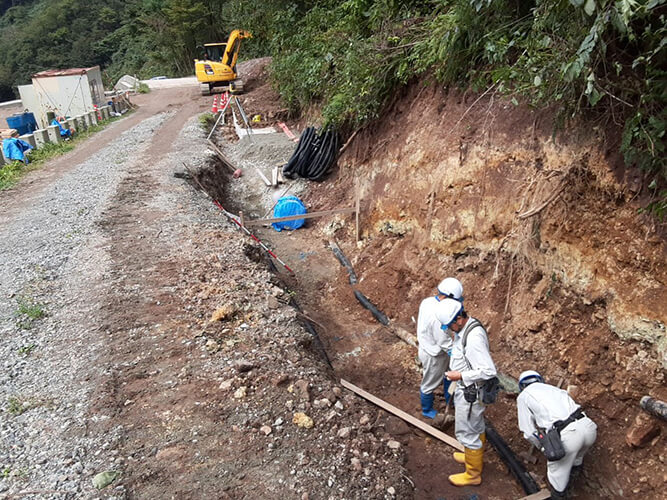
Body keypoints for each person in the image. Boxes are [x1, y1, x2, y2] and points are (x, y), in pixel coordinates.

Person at [438, 298, 496, 487]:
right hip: (469, 388)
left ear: (459, 320)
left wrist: (459, 375)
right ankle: (472, 455)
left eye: (449, 326)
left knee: (467, 430)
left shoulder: (473, 339)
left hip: (470, 392)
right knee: (476, 426)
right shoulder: (466, 327)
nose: (448, 329)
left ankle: (472, 474)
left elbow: (488, 371)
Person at [517, 370, 597, 499]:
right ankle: (573, 484)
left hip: (569, 435)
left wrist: (542, 446)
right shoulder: (554, 389)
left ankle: (559, 495)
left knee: (557, 473)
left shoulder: (524, 396)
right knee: (576, 459)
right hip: (589, 428)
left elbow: (528, 432)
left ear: (522, 386)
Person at [416, 277, 464, 419]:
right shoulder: (438, 316)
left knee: (449, 373)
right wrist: (458, 354)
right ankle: (427, 409)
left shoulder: (428, 301)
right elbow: (444, 342)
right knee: (430, 382)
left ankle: (450, 397)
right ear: (448, 297)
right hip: (434, 354)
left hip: (431, 345)